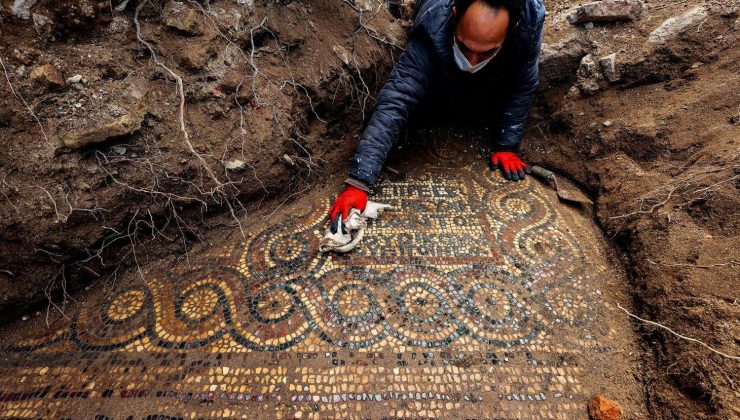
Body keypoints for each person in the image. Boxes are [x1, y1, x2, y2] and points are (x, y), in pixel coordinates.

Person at [329, 0, 545, 221]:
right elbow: (398, 97)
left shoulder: (528, 24)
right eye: (464, 47)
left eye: (486, 53)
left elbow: (522, 84)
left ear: (514, 28)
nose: (471, 61)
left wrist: (507, 145)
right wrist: (359, 181)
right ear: (454, 15)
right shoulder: (433, 25)